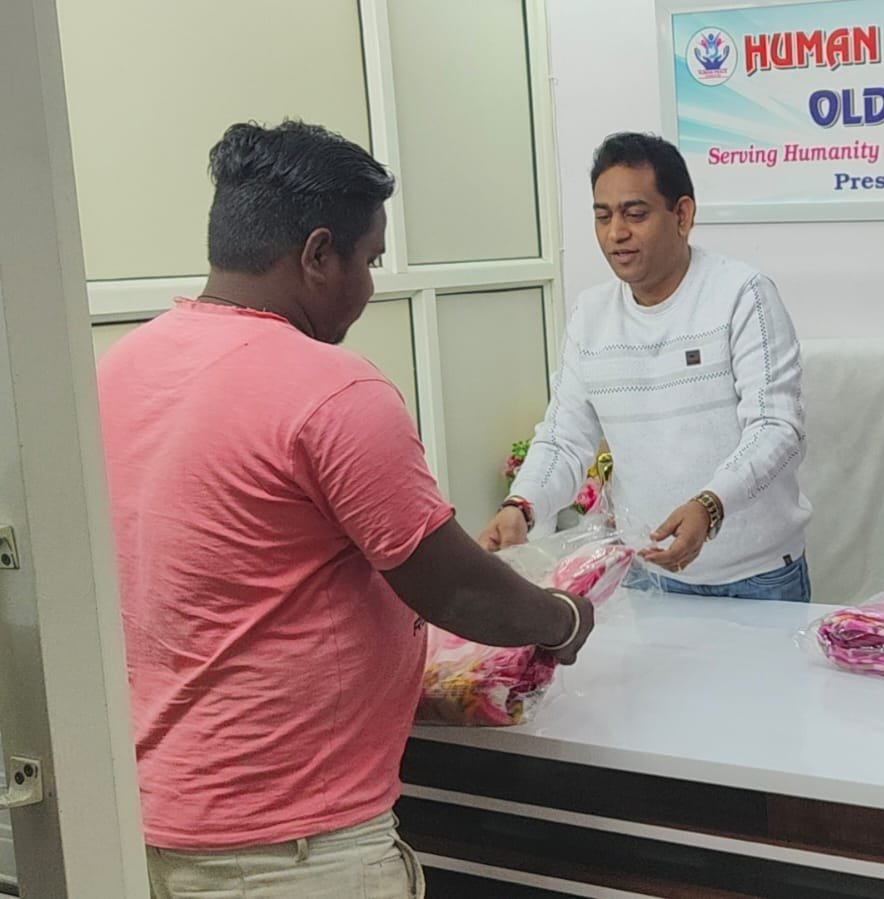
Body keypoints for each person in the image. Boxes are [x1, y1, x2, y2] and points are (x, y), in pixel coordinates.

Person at [97, 120, 595, 899]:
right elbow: (454, 589)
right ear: (318, 254)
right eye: (369, 260)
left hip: (144, 822)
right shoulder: (333, 390)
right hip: (291, 850)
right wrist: (560, 618)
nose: (368, 286)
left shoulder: (120, 368)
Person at [479, 133, 812, 602]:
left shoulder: (741, 295)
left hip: (756, 577)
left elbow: (776, 428)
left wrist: (710, 506)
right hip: (646, 573)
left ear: (682, 215)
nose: (616, 233)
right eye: (603, 216)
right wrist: (522, 505)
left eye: (635, 214)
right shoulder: (591, 316)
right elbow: (564, 437)